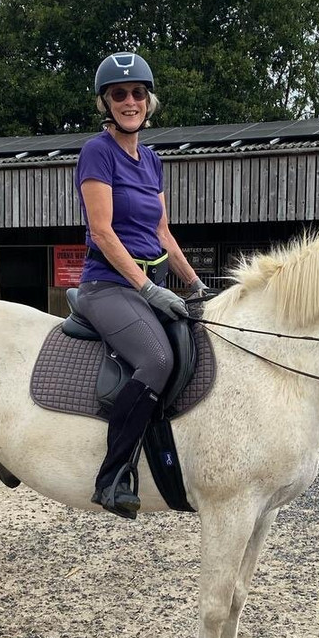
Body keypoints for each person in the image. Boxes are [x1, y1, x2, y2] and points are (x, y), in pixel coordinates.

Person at [75, 52, 209, 520]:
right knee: (156, 358)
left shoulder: (151, 159)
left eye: (137, 93)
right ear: (105, 103)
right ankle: (112, 476)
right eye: (119, 94)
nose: (129, 101)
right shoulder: (98, 151)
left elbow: (162, 232)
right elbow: (103, 233)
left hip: (148, 283)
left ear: (149, 101)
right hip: (108, 285)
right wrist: (148, 289)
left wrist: (194, 286)